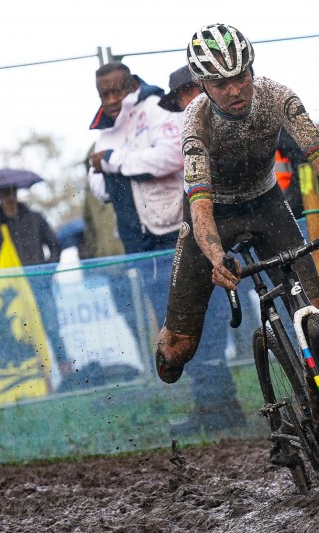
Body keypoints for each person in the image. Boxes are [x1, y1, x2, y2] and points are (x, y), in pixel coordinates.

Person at [155, 23, 319, 407]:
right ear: (202, 85)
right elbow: (199, 206)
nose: (234, 90)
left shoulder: (278, 96)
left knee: (314, 317)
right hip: (213, 214)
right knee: (178, 350)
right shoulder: (195, 122)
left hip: (266, 204)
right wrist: (217, 257)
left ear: (252, 68)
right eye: (220, 84)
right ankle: (171, 344)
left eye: (241, 77)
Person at [88, 62, 240, 434]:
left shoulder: (156, 107)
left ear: (133, 84)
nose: (111, 100)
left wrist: (113, 162)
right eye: (103, 93)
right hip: (142, 240)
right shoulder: (108, 127)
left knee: (207, 321)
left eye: (116, 90)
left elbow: (171, 156)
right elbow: (95, 182)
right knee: (174, 328)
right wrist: (108, 167)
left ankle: (221, 407)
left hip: (179, 229)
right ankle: (213, 407)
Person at [0, 186, 72, 375]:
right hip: (16, 288)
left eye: (11, 194)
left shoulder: (35, 218)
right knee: (25, 334)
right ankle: (38, 378)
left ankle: (67, 373)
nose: (8, 199)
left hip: (40, 284)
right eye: (4, 195)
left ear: (16, 195)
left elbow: (55, 246)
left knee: (52, 328)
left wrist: (46, 271)